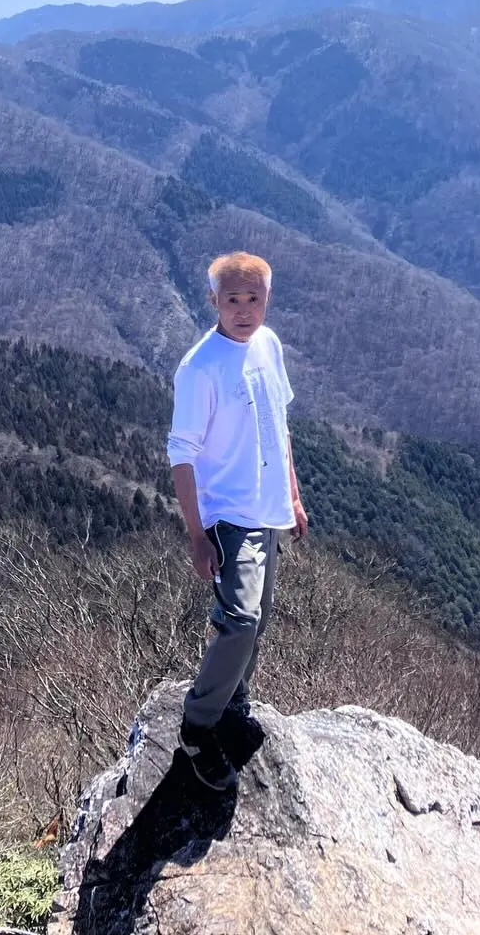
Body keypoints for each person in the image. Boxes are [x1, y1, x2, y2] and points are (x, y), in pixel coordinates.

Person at [166, 250, 309, 790]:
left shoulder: (268, 346)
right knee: (242, 620)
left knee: (260, 619)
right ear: (213, 301)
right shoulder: (199, 367)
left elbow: (280, 424)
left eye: (253, 299)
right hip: (228, 513)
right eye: (232, 299)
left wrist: (292, 496)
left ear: (267, 300)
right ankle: (198, 726)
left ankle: (234, 704)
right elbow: (181, 453)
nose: (244, 309)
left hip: (267, 507)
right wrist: (197, 534)